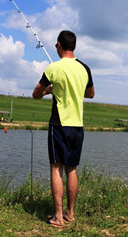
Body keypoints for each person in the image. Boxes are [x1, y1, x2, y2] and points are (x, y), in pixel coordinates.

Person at [33, 30, 95, 227]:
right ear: (74, 47)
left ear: (58, 45)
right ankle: (70, 213)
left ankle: (58, 216)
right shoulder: (85, 68)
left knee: (56, 167)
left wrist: (49, 90)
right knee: (72, 168)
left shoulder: (53, 68)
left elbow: (36, 93)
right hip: (77, 126)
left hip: (58, 125)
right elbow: (91, 94)